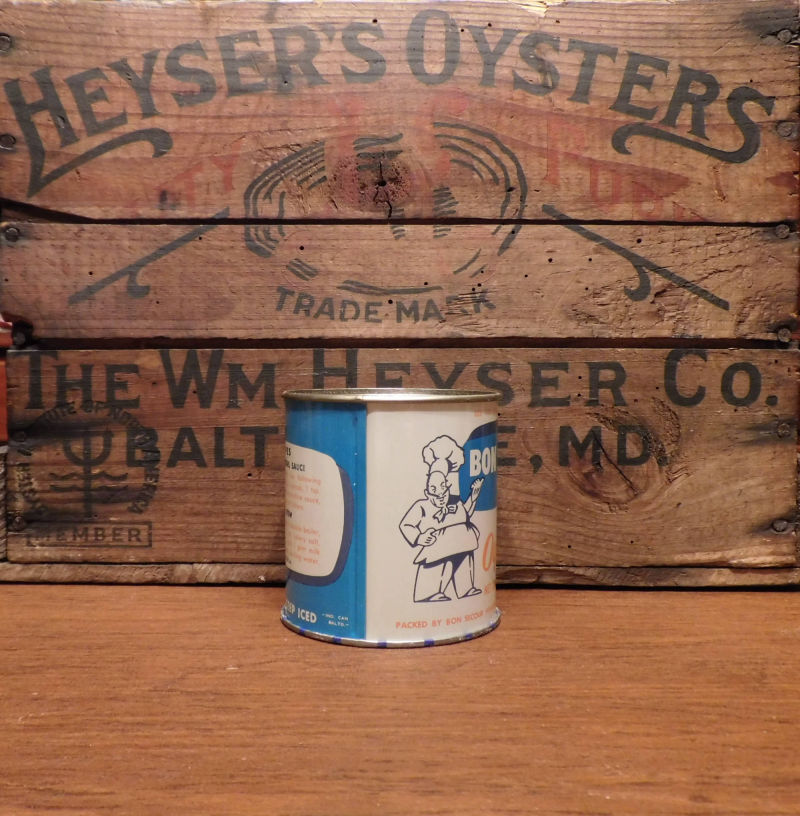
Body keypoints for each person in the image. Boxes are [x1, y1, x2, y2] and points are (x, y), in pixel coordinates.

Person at [399, 435, 484, 602]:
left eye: (443, 490)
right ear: (427, 492)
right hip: (438, 542)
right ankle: (430, 593)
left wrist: (473, 497)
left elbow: (465, 514)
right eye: (434, 491)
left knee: (463, 560)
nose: (440, 496)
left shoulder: (454, 502)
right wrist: (419, 537)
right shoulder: (422, 506)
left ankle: (466, 588)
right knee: (439, 565)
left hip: (461, 538)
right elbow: (406, 525)